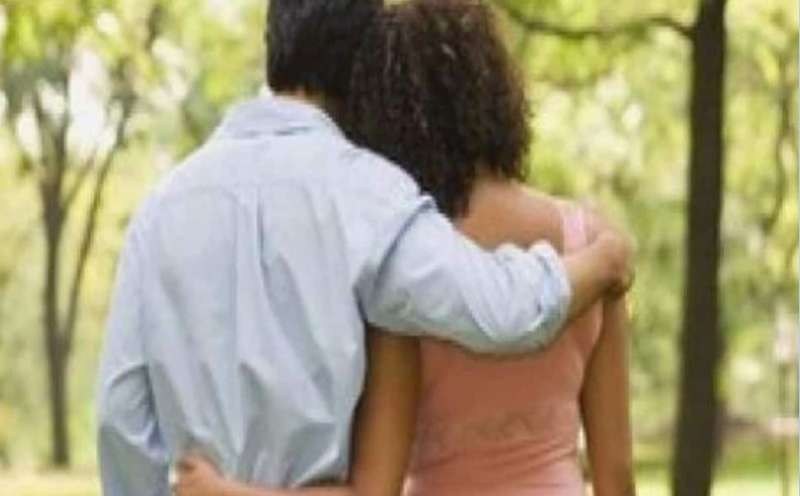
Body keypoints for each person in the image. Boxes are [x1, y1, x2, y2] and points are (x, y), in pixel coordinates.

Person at [96, 0, 634, 494]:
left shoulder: (158, 209)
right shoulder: (373, 199)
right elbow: (502, 309)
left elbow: (120, 417)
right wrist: (603, 261)